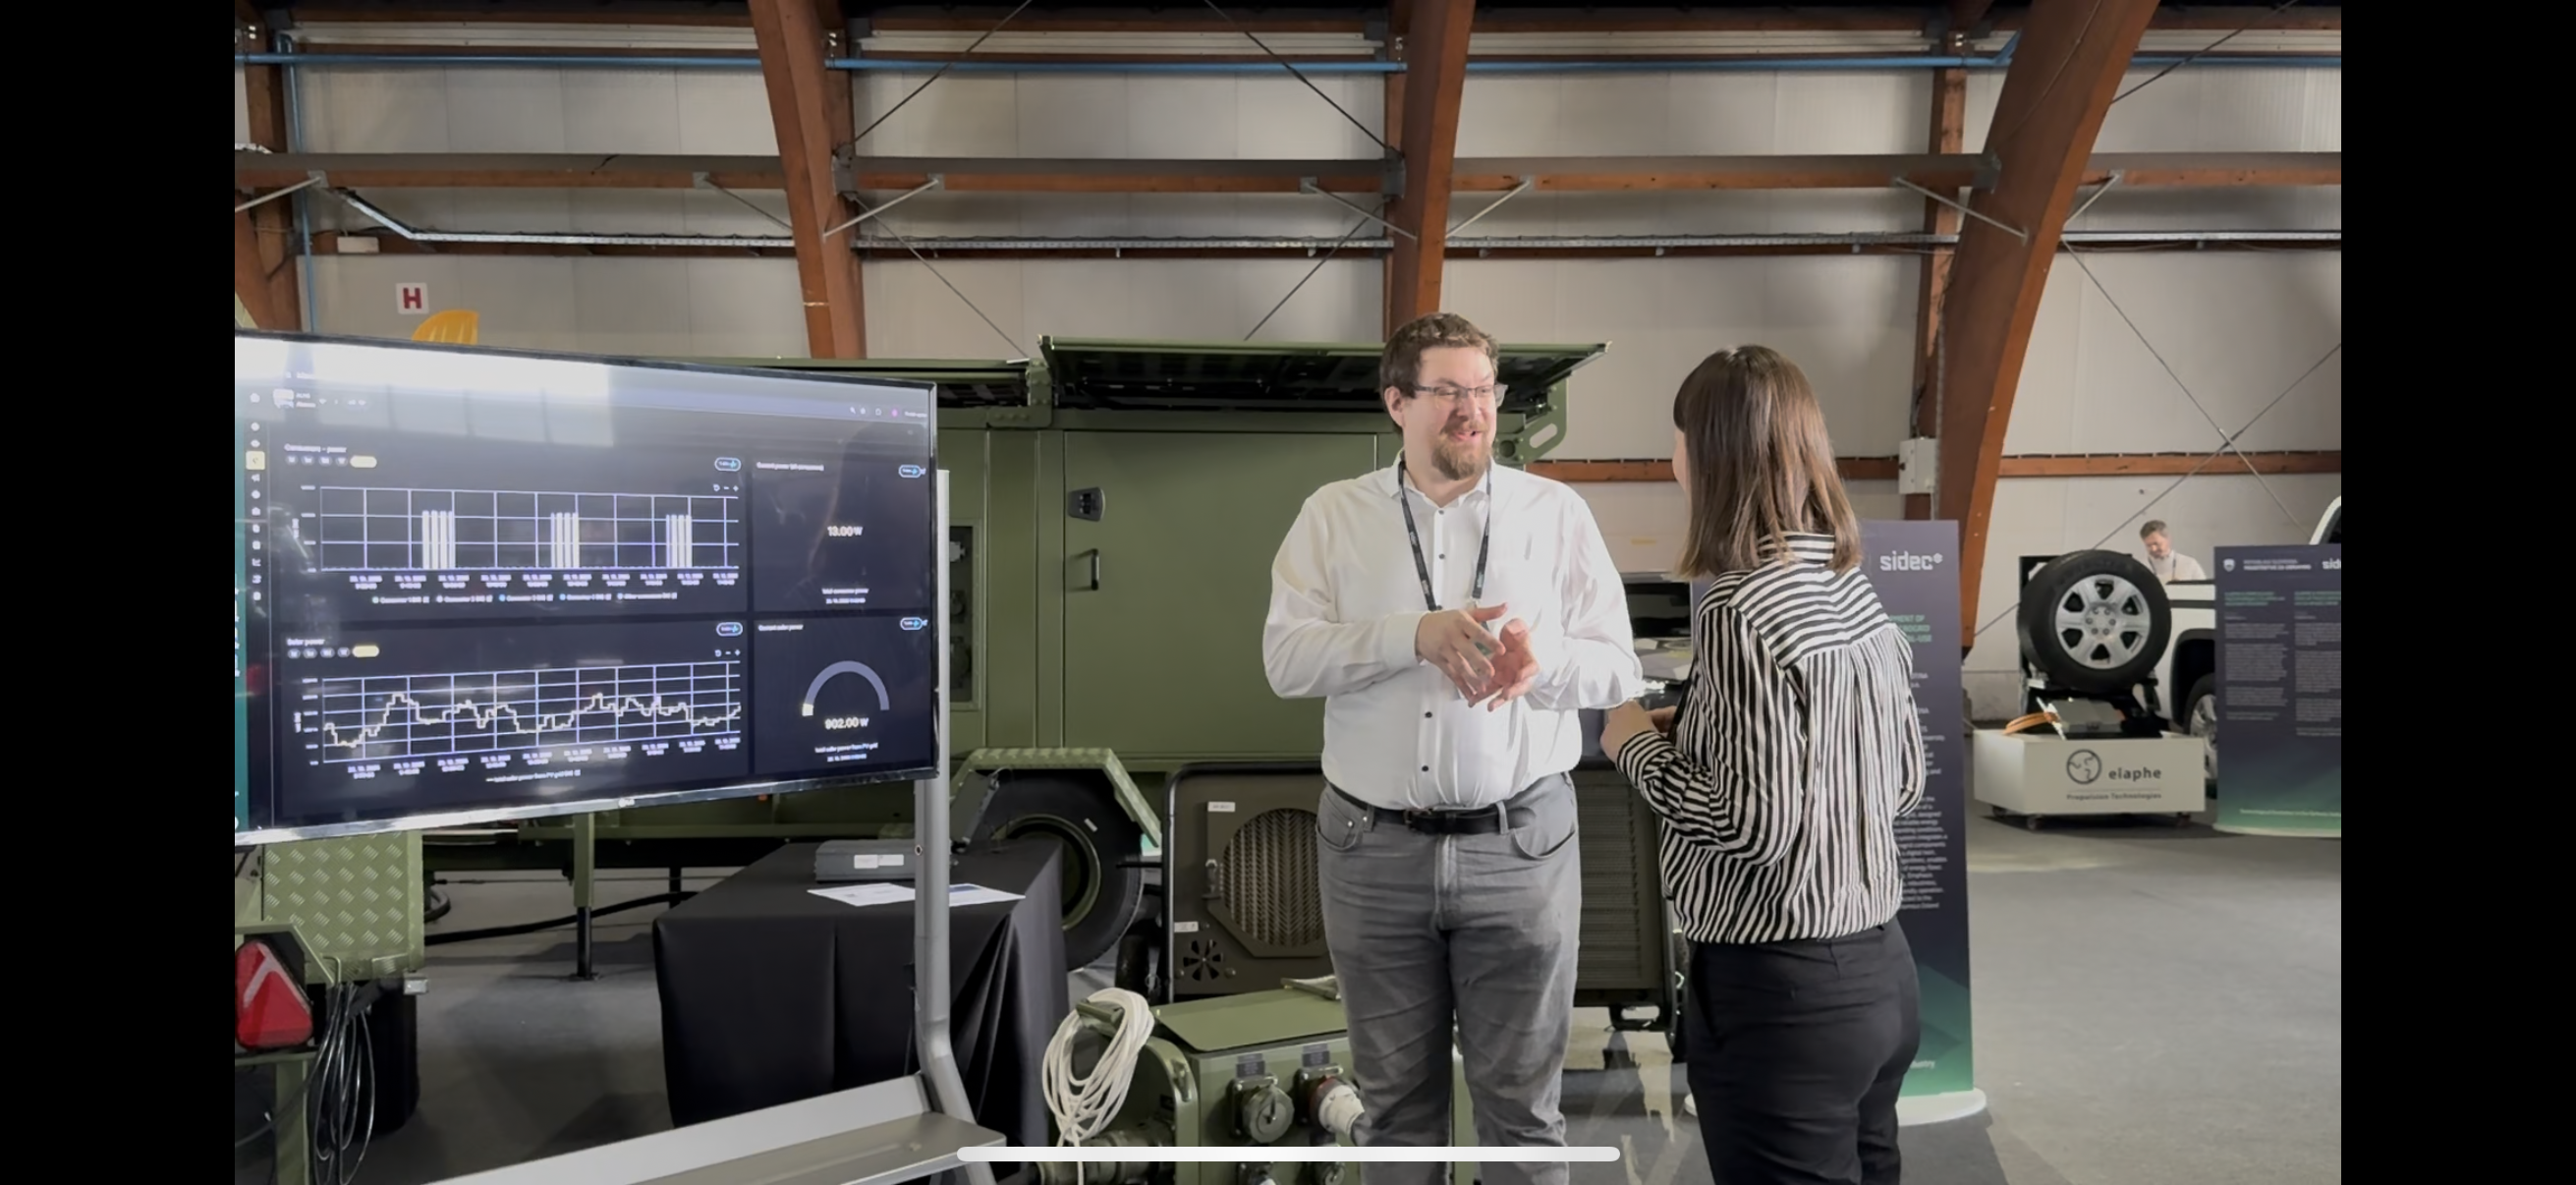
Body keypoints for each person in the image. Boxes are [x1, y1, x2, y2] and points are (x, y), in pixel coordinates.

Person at [1260, 311, 1644, 1185]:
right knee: (1396, 1115)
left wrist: (1543, 667)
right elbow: (1286, 659)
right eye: (1448, 392)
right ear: (1397, 402)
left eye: (1483, 390)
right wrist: (1411, 634)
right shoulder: (1333, 516)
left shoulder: (1555, 513)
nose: (1472, 410)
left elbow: (1618, 665)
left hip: (1521, 849)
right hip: (1374, 853)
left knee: (1524, 1116)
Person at [1597, 345, 1928, 1185]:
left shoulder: (1738, 607)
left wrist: (1633, 743)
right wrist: (1703, 730)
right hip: (1882, 973)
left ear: (1706, 455)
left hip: (1780, 991)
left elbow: (1749, 823)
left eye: (1678, 438)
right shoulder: (1849, 586)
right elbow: (1901, 780)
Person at [2140, 520, 2209, 583]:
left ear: (2168, 539)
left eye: (2156, 544)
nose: (2153, 549)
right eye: (2148, 545)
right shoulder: (2140, 568)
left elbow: (2205, 590)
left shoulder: (2190, 564)